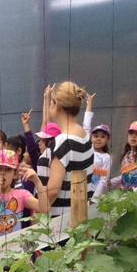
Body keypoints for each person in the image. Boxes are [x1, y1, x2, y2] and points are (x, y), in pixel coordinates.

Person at [46, 81, 94, 215]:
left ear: (56, 104)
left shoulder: (63, 142)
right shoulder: (84, 135)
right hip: (80, 213)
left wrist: (39, 210)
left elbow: (53, 190)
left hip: (61, 223)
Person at [0, 149, 48, 239]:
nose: (3, 173)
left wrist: (37, 182)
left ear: (15, 174)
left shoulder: (21, 194)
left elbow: (45, 209)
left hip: (15, 250)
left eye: (8, 169)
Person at [110, 121, 137, 190]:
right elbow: (126, 175)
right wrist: (112, 181)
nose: (133, 136)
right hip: (125, 194)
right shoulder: (126, 156)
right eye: (131, 133)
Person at [90, 124, 112, 201]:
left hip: (94, 192)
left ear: (107, 140)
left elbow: (104, 178)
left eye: (102, 137)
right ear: (91, 138)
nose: (99, 139)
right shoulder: (87, 151)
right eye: (96, 136)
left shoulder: (106, 157)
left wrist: (95, 198)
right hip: (81, 189)